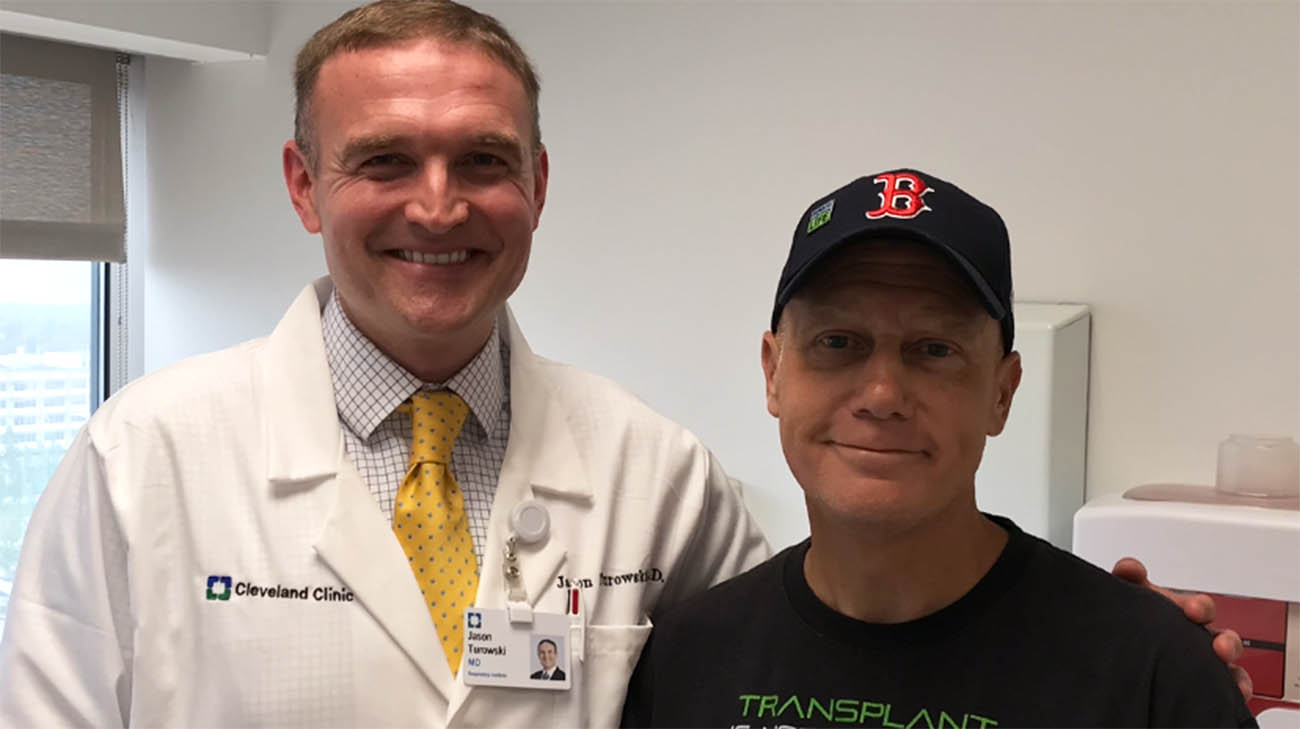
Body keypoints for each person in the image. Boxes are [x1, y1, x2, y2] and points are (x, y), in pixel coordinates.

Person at [0, 2, 1246, 727]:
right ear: (303, 183)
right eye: (383, 159)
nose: (437, 205)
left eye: (483, 161)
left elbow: (833, 630)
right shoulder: (140, 463)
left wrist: (1109, 639)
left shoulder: (656, 473)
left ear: (537, 185)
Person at [620, 169, 1258, 728]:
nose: (882, 395)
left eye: (934, 350)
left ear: (1002, 393)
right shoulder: (687, 658)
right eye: (837, 342)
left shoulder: (1150, 676)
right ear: (773, 374)